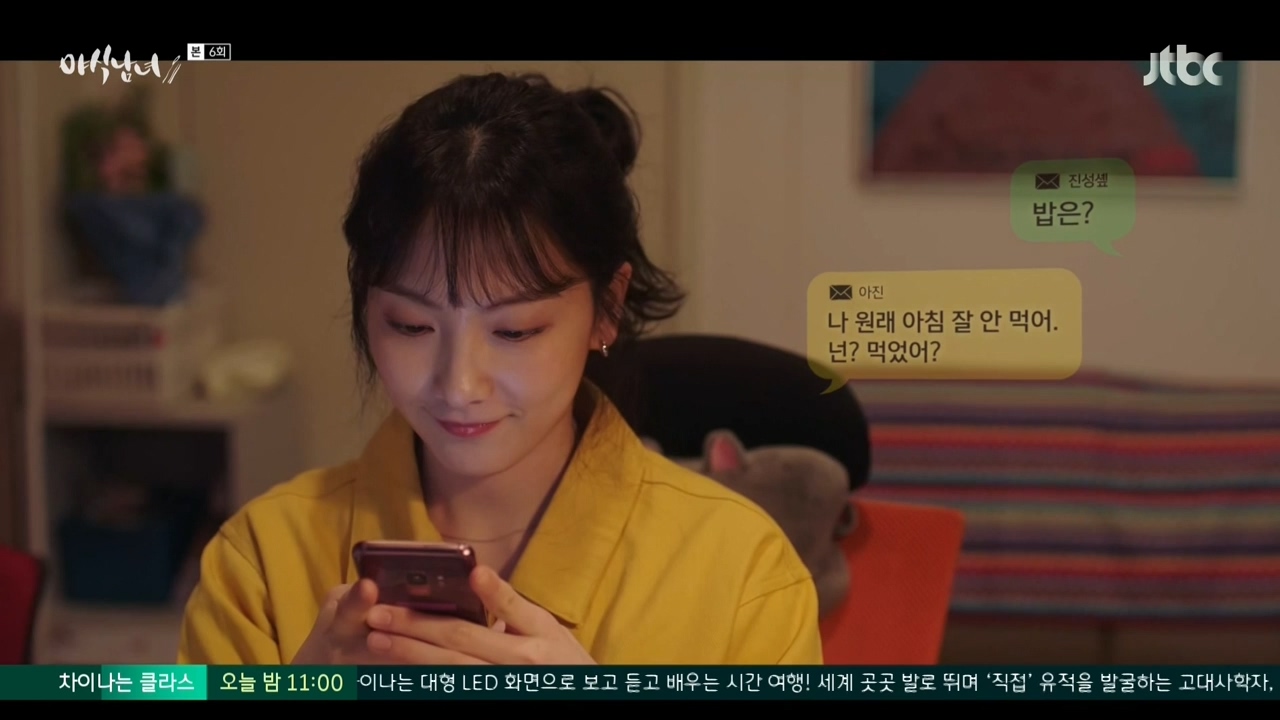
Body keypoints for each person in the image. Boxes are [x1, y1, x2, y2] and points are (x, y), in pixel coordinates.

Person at [177, 73, 823, 666]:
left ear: (607, 308)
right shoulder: (261, 563)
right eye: (411, 326)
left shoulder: (743, 574)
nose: (459, 385)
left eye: (514, 331)